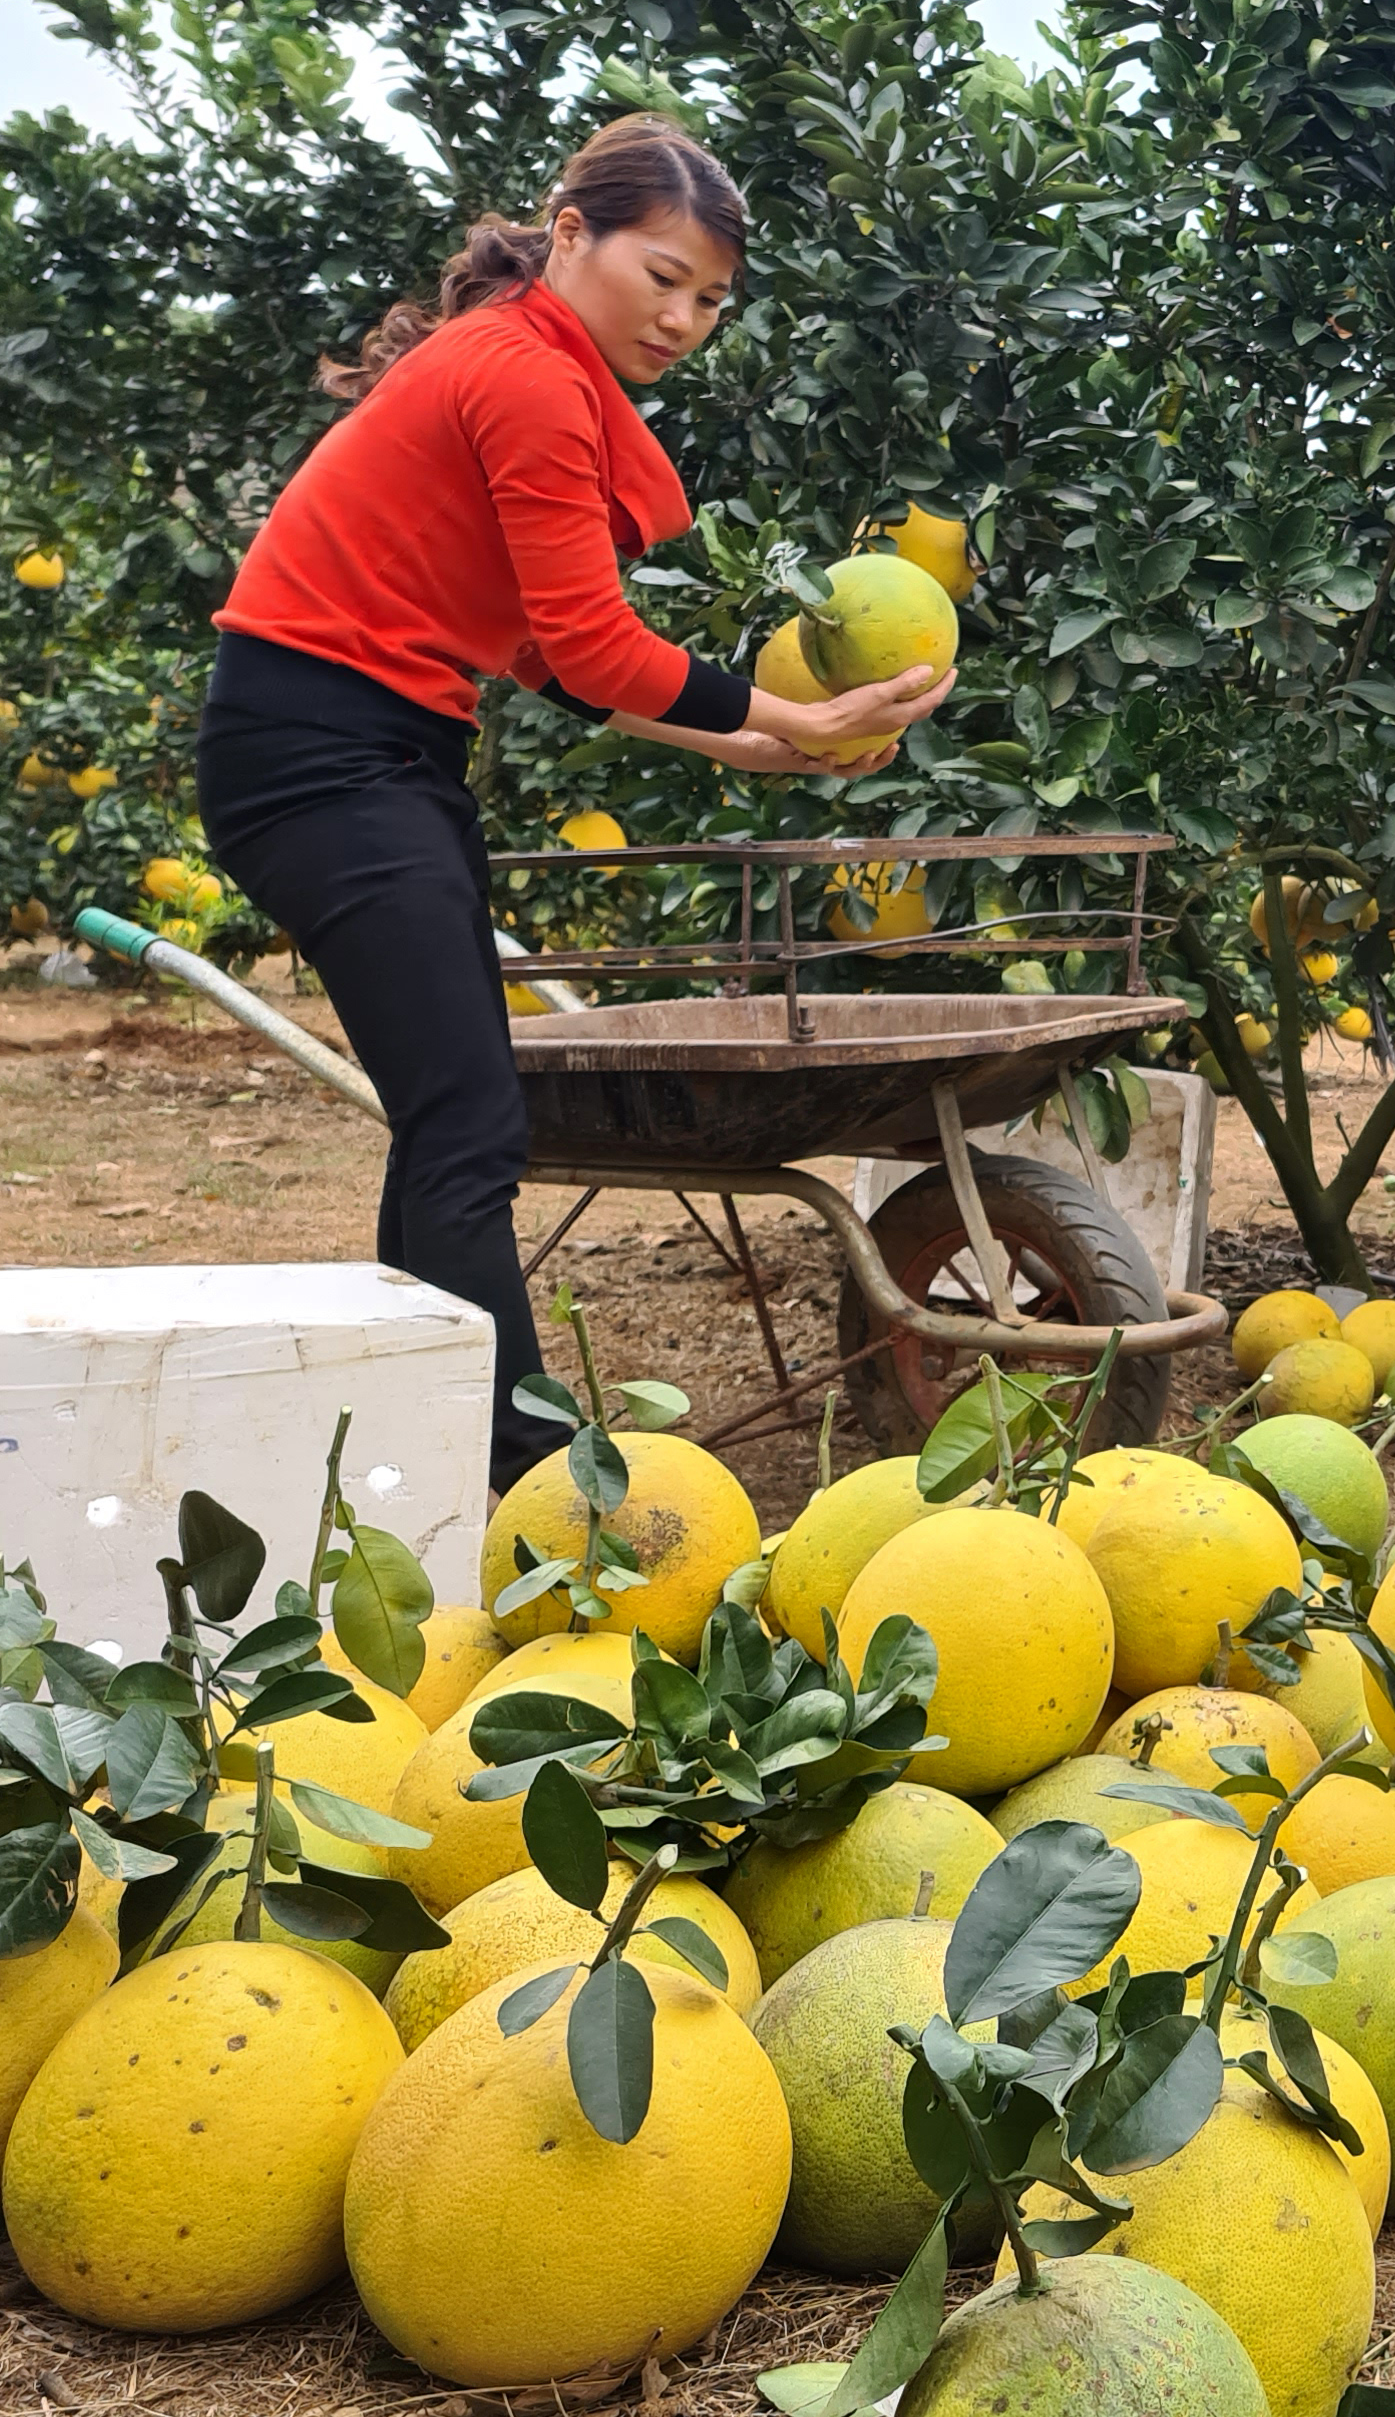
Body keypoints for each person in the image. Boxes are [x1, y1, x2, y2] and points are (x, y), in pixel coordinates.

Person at [197, 114, 950, 1493]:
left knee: (451, 1117)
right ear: (569, 235)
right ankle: (532, 1481)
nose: (684, 317)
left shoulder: (524, 370)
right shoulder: (526, 379)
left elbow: (552, 656)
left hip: (384, 752)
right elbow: (603, 652)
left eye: (712, 299)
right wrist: (791, 713)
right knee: (472, 1121)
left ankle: (423, 1445)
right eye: (661, 275)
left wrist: (763, 750)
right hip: (317, 750)